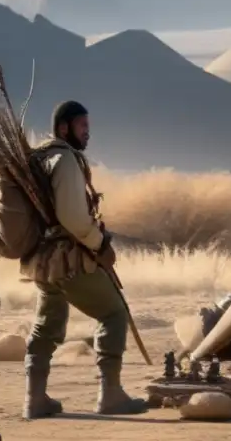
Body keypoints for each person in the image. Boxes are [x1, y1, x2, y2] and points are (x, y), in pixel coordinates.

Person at [20, 100, 149, 419]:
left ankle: (34, 400)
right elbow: (73, 218)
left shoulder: (39, 158)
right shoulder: (64, 160)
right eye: (82, 127)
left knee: (46, 325)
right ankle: (111, 396)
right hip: (67, 260)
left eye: (88, 127)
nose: (87, 133)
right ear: (64, 128)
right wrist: (100, 243)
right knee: (113, 313)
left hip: (42, 261)